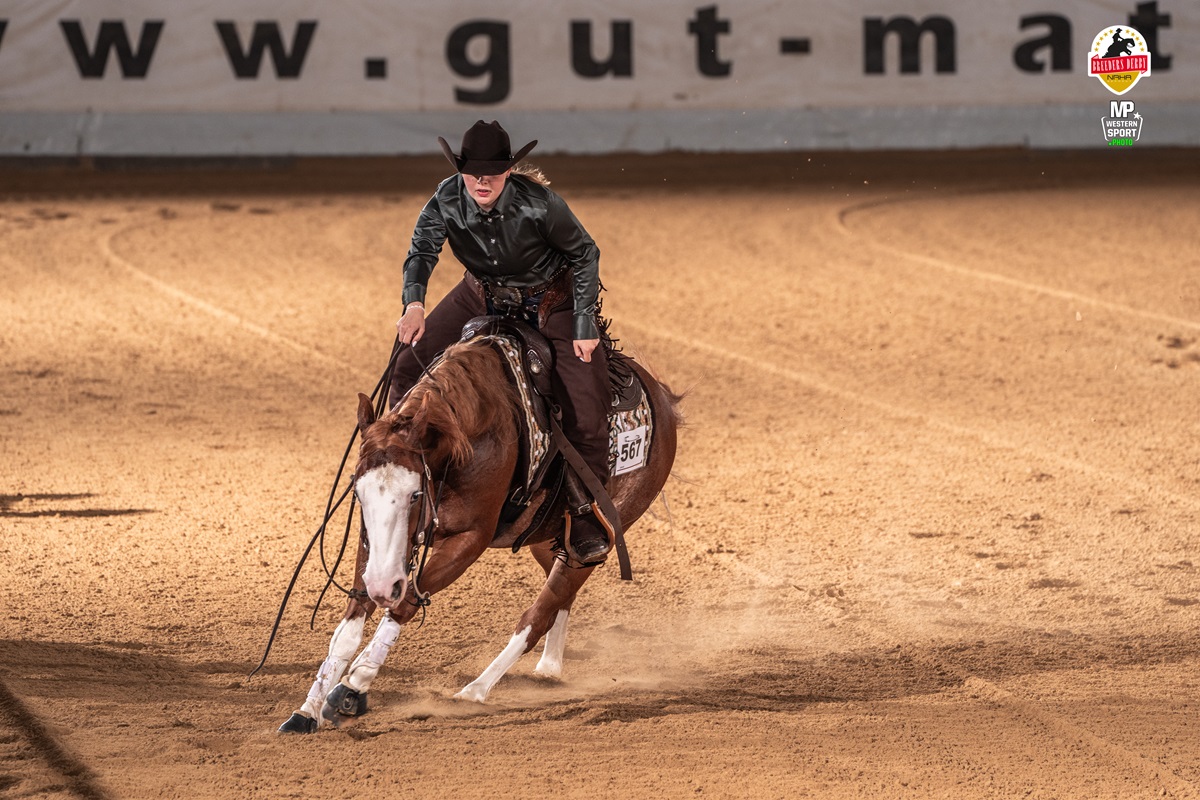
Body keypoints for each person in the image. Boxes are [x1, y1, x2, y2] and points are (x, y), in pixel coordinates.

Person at [391, 120, 614, 566]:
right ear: (461, 171)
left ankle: (585, 509)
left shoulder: (540, 204)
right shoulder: (446, 197)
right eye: (473, 171)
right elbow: (421, 251)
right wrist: (414, 304)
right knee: (406, 363)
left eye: (492, 171)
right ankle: (394, 464)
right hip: (482, 291)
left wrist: (585, 321)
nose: (482, 180)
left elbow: (584, 253)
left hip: (550, 299)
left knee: (585, 404)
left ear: (510, 171)